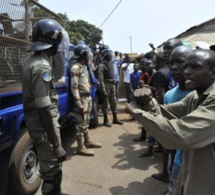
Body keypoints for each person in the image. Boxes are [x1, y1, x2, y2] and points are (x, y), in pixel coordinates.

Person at [125, 49, 215, 195]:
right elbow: (166, 113)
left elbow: (180, 135)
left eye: (195, 66)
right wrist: (147, 102)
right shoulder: (195, 97)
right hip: (193, 177)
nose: (186, 71)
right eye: (186, 66)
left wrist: (137, 111)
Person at [22, 19, 66, 195]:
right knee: (51, 173)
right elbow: (43, 108)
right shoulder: (42, 67)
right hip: (44, 129)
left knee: (54, 169)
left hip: (42, 127)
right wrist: (56, 144)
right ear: (53, 41)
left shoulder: (33, 60)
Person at [160, 45, 193, 195]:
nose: (173, 68)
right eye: (170, 63)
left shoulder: (202, 95)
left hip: (198, 162)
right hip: (178, 160)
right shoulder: (169, 95)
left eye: (179, 62)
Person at [70, 43, 102, 156]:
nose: (89, 56)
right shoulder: (75, 68)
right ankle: (80, 147)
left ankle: (87, 141)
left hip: (87, 97)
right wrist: (78, 103)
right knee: (80, 123)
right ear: (82, 55)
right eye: (87, 54)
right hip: (82, 98)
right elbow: (74, 87)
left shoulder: (84, 67)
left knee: (86, 121)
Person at [98, 49, 124, 127]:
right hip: (106, 85)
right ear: (106, 55)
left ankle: (115, 119)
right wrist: (103, 89)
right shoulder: (102, 65)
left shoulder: (111, 64)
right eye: (110, 54)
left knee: (114, 102)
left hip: (112, 84)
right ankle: (106, 120)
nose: (111, 56)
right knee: (105, 103)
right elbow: (101, 79)